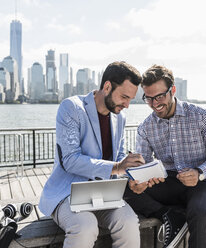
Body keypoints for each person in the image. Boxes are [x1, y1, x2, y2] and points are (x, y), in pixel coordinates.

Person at [39, 61, 145, 248]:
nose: (127, 105)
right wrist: (118, 167)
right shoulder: (71, 107)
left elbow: (118, 156)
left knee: (129, 222)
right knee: (85, 226)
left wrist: (133, 178)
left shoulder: (119, 116)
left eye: (131, 99)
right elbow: (70, 160)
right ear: (107, 86)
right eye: (124, 97)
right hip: (67, 193)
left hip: (104, 194)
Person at [124, 65, 206, 248]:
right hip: (169, 182)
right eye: (148, 98)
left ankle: (173, 214)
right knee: (126, 189)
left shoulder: (202, 116)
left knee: (202, 212)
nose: (154, 104)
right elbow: (144, 165)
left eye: (159, 96)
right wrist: (140, 179)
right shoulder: (146, 127)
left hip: (203, 183)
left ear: (172, 90)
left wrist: (199, 172)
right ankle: (170, 216)